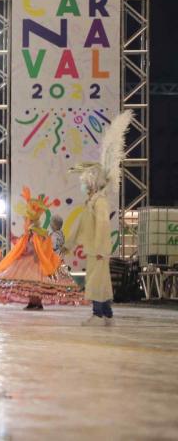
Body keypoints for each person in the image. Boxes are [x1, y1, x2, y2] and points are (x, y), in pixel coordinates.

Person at [67, 110, 132, 327]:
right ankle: (107, 315)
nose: (83, 185)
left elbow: (103, 226)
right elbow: (81, 226)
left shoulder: (100, 202)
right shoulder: (92, 202)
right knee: (99, 282)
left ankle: (98, 314)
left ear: (93, 183)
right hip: (95, 249)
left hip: (98, 249)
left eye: (85, 182)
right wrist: (71, 243)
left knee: (96, 281)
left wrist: (102, 250)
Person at [0, 187, 83, 309]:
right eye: (27, 219)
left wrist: (35, 252)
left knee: (36, 282)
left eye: (28, 219)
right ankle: (33, 302)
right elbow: (26, 246)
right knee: (32, 283)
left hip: (37, 260)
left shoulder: (38, 232)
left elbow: (40, 247)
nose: (26, 221)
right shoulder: (32, 233)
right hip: (31, 259)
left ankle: (36, 302)